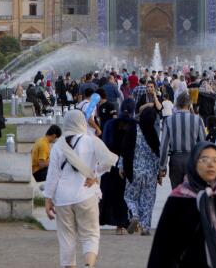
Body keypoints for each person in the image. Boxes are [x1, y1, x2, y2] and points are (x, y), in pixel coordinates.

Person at [146, 141, 216, 268]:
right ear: (194, 163)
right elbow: (162, 247)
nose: (211, 164)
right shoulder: (178, 199)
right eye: (205, 159)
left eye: (215, 160)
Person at [44, 109, 120, 268]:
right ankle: (88, 264)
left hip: (63, 198)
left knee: (66, 239)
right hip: (86, 195)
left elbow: (53, 175)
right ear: (82, 123)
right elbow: (109, 161)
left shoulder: (58, 145)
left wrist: (47, 199)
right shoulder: (92, 141)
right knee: (90, 234)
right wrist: (94, 174)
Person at [125, 101, 164, 235]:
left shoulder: (133, 131)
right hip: (150, 174)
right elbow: (158, 157)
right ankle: (145, 227)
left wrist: (121, 166)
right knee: (147, 200)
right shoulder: (154, 136)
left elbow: (126, 150)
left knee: (130, 197)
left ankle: (134, 214)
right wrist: (160, 173)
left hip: (134, 171)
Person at [99, 99, 136, 232]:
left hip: (111, 163)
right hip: (128, 163)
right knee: (126, 195)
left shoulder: (110, 124)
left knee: (111, 194)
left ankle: (116, 224)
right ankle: (125, 222)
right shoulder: (134, 125)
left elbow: (105, 144)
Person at [162, 93, 206, 188]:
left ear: (177, 104)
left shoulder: (169, 120)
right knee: (192, 193)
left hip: (176, 159)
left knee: (176, 193)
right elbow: (203, 143)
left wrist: (162, 166)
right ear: (190, 104)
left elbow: (164, 146)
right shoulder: (198, 120)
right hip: (192, 160)